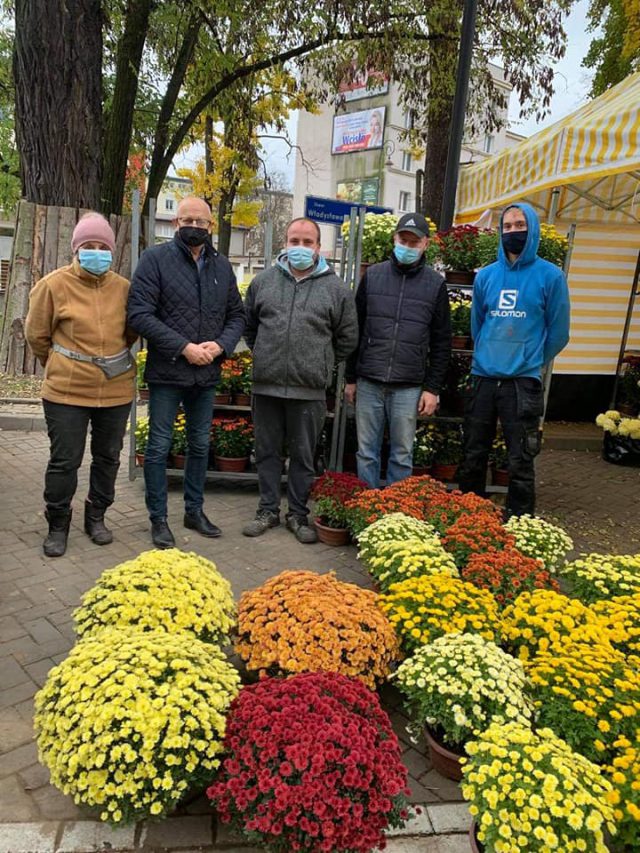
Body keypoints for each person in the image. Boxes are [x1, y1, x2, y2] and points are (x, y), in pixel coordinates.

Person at [127, 197, 245, 548]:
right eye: (187, 219)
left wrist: (220, 345)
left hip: (206, 374)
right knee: (160, 446)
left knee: (199, 444)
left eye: (201, 221)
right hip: (168, 372)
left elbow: (237, 315)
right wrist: (183, 347)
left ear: (211, 226)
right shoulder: (154, 260)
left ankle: (194, 510)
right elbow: (139, 314)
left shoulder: (222, 267)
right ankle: (158, 518)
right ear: (176, 223)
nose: (195, 226)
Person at [25, 213, 137, 558]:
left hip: (115, 391)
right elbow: (36, 335)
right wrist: (61, 365)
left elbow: (131, 332)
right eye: (89, 246)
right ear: (76, 249)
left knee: (108, 458)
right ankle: (57, 524)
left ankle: (97, 516)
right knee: (64, 460)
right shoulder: (53, 285)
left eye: (103, 247)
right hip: (66, 393)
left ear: (111, 250)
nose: (96, 252)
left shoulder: (124, 288)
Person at [242, 217, 358, 543]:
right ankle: (267, 510)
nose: (301, 248)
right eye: (295, 241)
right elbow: (249, 326)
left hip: (310, 390)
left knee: (304, 456)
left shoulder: (336, 290)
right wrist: (267, 354)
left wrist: (319, 362)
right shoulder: (263, 282)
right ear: (285, 242)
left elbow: (347, 339)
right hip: (267, 384)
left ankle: (297, 514)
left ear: (319, 247)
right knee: (266, 452)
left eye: (308, 242)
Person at [456, 202, 570, 517]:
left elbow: (559, 332)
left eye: (520, 225)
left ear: (532, 229)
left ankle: (519, 523)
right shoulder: (486, 277)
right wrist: (487, 355)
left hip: (522, 384)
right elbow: (478, 326)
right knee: (472, 454)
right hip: (483, 379)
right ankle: (471, 518)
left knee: (521, 459)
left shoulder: (551, 276)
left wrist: (530, 360)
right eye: (507, 227)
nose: (513, 231)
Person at [345, 212, 451, 489]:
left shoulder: (435, 285)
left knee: (402, 455)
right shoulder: (373, 276)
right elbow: (356, 329)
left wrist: (433, 388)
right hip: (369, 380)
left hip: (409, 386)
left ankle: (395, 513)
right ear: (394, 239)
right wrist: (350, 378)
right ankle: (367, 510)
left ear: (425, 244)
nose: (407, 246)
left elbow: (441, 341)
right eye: (403, 240)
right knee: (366, 452)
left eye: (414, 242)